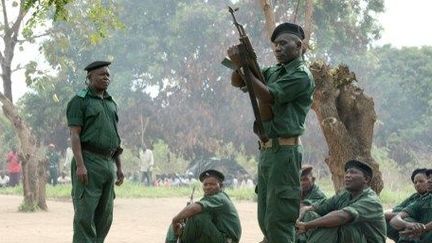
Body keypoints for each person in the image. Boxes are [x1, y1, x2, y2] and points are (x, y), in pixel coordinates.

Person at [227, 22, 315, 243]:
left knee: (279, 221)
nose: (278, 48)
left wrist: (246, 69)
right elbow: (238, 81)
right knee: (265, 219)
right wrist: (241, 63)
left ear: (299, 45)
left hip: (285, 151)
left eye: (284, 44)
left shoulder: (301, 75)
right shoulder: (274, 71)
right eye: (275, 44)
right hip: (268, 150)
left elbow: (267, 95)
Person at [66, 61, 124, 243]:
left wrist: (119, 167)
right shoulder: (79, 101)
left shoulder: (111, 103)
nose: (106, 77)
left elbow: (115, 137)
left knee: (105, 216)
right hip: (88, 161)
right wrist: (80, 165)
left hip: (109, 162)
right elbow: (75, 135)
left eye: (108, 74)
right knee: (85, 215)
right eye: (101, 74)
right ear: (89, 77)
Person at [296, 160, 386, 243]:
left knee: (337, 225)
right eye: (347, 172)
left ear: (366, 179)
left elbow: (343, 216)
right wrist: (306, 209)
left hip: (367, 240)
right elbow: (323, 206)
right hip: (351, 237)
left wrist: (307, 225)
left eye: (353, 172)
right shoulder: (345, 195)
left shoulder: (371, 200)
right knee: (310, 214)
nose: (347, 175)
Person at [165, 169, 242, 243]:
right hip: (218, 236)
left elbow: (194, 208)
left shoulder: (219, 198)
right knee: (182, 220)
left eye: (212, 184)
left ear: (221, 186)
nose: (208, 187)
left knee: (197, 218)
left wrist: (175, 220)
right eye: (205, 184)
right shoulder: (211, 198)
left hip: (227, 240)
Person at [385, 168, 429, 242]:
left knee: (409, 222)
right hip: (405, 227)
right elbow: (396, 210)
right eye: (415, 182)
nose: (417, 184)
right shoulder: (414, 197)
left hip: (421, 231)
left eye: (421, 181)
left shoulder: (427, 199)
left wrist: (406, 216)